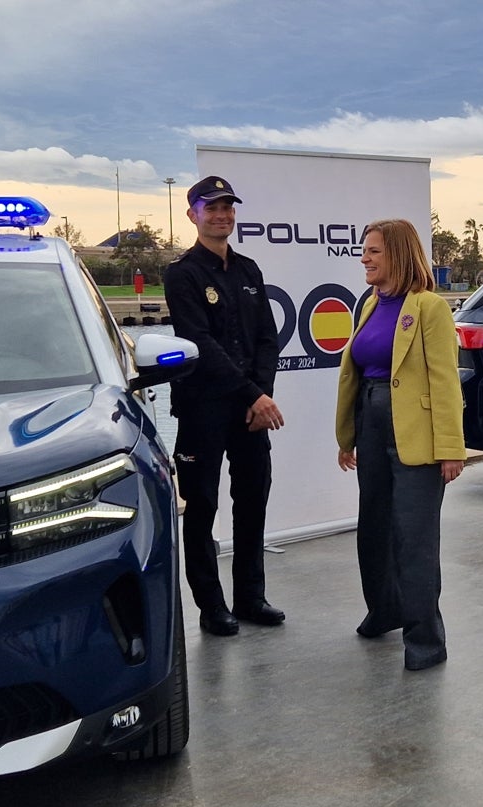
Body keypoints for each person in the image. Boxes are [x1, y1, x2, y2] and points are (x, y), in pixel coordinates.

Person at [334, 218, 466, 671]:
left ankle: (425, 640)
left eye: (373, 251)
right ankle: (385, 610)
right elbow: (358, 372)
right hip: (371, 422)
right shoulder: (369, 304)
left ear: (399, 255)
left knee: (414, 537)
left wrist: (451, 448)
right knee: (373, 528)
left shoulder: (429, 306)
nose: (364, 259)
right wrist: (347, 438)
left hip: (417, 432)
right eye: (364, 251)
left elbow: (445, 381)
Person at [163, 175, 286, 636]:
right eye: (211, 207)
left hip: (250, 411)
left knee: (252, 502)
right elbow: (200, 342)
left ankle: (250, 597)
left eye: (228, 207)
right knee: (202, 506)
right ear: (192, 213)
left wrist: (261, 395)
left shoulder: (250, 270)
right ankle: (212, 607)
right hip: (203, 409)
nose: (222, 215)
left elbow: (267, 339)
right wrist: (252, 393)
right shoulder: (182, 274)